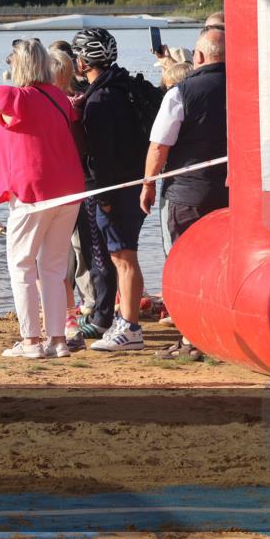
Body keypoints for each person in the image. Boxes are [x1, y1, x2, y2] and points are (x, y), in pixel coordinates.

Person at [0, 34, 85, 359]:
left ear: (21, 67)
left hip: (34, 193)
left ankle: (31, 341)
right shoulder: (55, 96)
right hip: (68, 190)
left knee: (22, 265)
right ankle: (57, 340)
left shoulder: (20, 97)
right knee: (53, 267)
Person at [140, 28, 228, 359]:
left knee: (181, 265)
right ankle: (218, 336)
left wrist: (148, 184)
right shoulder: (248, 87)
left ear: (200, 57)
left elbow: (159, 146)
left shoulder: (182, 92)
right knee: (222, 265)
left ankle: (191, 339)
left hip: (186, 195)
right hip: (232, 193)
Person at [71, 28, 157, 351]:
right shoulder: (124, 86)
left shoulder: (100, 100)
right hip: (135, 183)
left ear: (82, 61)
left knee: (123, 258)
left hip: (116, 189)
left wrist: (104, 199)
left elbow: (103, 156)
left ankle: (131, 328)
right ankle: (126, 319)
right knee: (126, 256)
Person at [49, 48, 94, 347]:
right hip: (74, 186)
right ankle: (76, 312)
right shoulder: (74, 104)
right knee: (69, 254)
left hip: (62, 190)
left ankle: (70, 317)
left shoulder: (62, 105)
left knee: (61, 258)